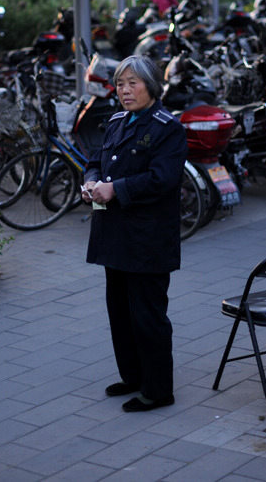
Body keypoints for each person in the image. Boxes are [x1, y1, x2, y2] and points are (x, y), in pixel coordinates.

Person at [81, 54, 188, 413]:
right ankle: (133, 376)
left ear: (151, 86)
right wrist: (91, 181)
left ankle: (158, 390)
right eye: (120, 84)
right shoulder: (116, 121)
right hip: (115, 235)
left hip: (147, 240)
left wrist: (117, 189)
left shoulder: (167, 127)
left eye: (133, 83)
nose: (125, 91)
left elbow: (164, 178)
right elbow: (96, 158)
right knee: (120, 312)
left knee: (147, 316)